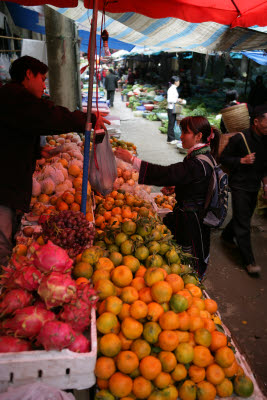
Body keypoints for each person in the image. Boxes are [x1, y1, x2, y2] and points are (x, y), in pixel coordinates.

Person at [0, 56, 110, 267]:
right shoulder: (15, 97)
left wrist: (37, 151)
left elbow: (15, 133)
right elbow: (47, 116)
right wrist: (86, 119)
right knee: (3, 243)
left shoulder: (12, 97)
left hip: (9, 182)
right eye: (42, 78)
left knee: (7, 236)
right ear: (29, 74)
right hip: (4, 187)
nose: (44, 85)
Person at [115, 116, 220, 278]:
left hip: (192, 223)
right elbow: (193, 181)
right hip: (192, 218)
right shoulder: (203, 156)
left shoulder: (198, 163)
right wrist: (178, 186)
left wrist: (132, 160)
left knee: (187, 265)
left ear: (198, 136)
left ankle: (191, 284)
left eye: (186, 132)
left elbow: (167, 173)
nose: (181, 136)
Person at [220, 105, 267, 274]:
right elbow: (223, 158)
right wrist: (241, 161)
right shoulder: (239, 138)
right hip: (239, 184)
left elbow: (264, 166)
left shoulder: (265, 140)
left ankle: (226, 235)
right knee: (244, 222)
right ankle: (249, 262)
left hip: (254, 185)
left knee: (244, 215)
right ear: (256, 121)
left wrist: (265, 184)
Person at [167, 76, 185, 144]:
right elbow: (169, 100)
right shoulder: (171, 89)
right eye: (178, 81)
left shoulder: (173, 88)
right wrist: (178, 100)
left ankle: (170, 139)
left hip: (172, 108)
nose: (179, 82)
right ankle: (171, 139)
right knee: (171, 123)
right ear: (175, 82)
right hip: (171, 108)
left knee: (171, 123)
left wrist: (177, 100)